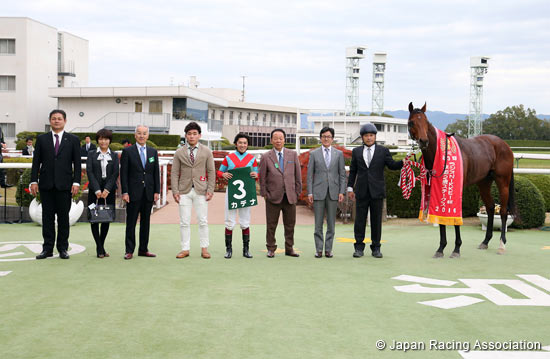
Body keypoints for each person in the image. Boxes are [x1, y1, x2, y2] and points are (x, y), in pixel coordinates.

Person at [30, 109, 82, 259]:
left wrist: (76, 182)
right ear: (50, 121)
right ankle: (47, 248)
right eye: (54, 118)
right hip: (46, 185)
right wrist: (34, 181)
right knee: (47, 218)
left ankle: (63, 248)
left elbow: (77, 164)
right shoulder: (42, 139)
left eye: (59, 118)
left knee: (63, 219)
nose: (56, 121)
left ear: (65, 121)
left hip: (64, 185)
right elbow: (36, 163)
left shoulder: (72, 139)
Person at [347, 123, 404, 259]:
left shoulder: (383, 151)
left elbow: (392, 165)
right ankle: (359, 248)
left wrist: (405, 161)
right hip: (361, 191)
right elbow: (353, 171)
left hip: (377, 191)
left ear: (375, 136)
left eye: (371, 135)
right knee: (359, 220)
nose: (369, 138)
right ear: (362, 137)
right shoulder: (356, 152)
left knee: (376, 221)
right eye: (366, 135)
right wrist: (350, 188)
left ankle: (376, 248)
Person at [171, 122, 215, 259]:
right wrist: (175, 191)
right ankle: (185, 249)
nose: (192, 136)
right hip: (184, 190)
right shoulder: (179, 152)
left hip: (201, 190)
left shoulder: (206, 151)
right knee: (184, 221)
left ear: (199, 135)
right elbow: (174, 172)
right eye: (189, 134)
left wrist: (210, 189)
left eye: (194, 134)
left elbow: (211, 171)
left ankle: (204, 248)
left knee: (203, 220)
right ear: (185, 136)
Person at [259, 128, 302, 258]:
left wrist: (297, 192)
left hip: (290, 196)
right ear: (271, 140)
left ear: (284, 140)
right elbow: (262, 178)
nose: (278, 140)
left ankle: (289, 248)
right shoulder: (266, 157)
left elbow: (297, 175)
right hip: (273, 196)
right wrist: (265, 194)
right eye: (276, 138)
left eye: (281, 138)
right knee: (271, 225)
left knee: (290, 224)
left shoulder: (292, 155)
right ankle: (271, 248)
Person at [120, 125, 159, 260]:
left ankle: (143, 249)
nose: (142, 136)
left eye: (144, 133)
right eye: (139, 133)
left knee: (146, 222)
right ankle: (129, 250)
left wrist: (156, 191)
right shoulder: (128, 152)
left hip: (148, 192)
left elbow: (155, 173)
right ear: (135, 135)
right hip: (132, 193)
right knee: (131, 222)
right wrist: (125, 192)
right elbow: (123, 174)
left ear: (148, 136)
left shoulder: (153, 152)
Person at [306, 127, 346, 258]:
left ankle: (328, 249)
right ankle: (318, 249)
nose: (326, 138)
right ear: (320, 138)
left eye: (328, 136)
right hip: (318, 191)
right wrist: (310, 192)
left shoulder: (338, 154)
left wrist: (342, 191)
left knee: (331, 223)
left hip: (333, 191)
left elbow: (342, 175)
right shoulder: (314, 154)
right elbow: (310, 175)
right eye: (323, 136)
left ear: (332, 138)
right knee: (318, 223)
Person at [217, 133, 258, 259]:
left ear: (247, 145)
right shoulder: (229, 158)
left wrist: (256, 175)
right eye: (240, 143)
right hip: (232, 192)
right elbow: (219, 171)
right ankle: (228, 250)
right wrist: (223, 175)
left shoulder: (252, 158)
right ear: (236, 144)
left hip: (247, 192)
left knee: (245, 221)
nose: (242, 145)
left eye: (245, 143)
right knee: (230, 220)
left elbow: (256, 174)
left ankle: (246, 250)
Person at [86, 128, 119, 258]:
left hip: (109, 192)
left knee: (106, 218)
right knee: (94, 219)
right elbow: (90, 172)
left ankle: (101, 246)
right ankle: (99, 248)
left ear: (109, 140)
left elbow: (115, 173)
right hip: (94, 192)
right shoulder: (92, 154)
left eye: (105, 139)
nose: (103, 141)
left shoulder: (114, 155)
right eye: (100, 139)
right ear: (97, 140)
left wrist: (106, 190)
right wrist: (97, 190)